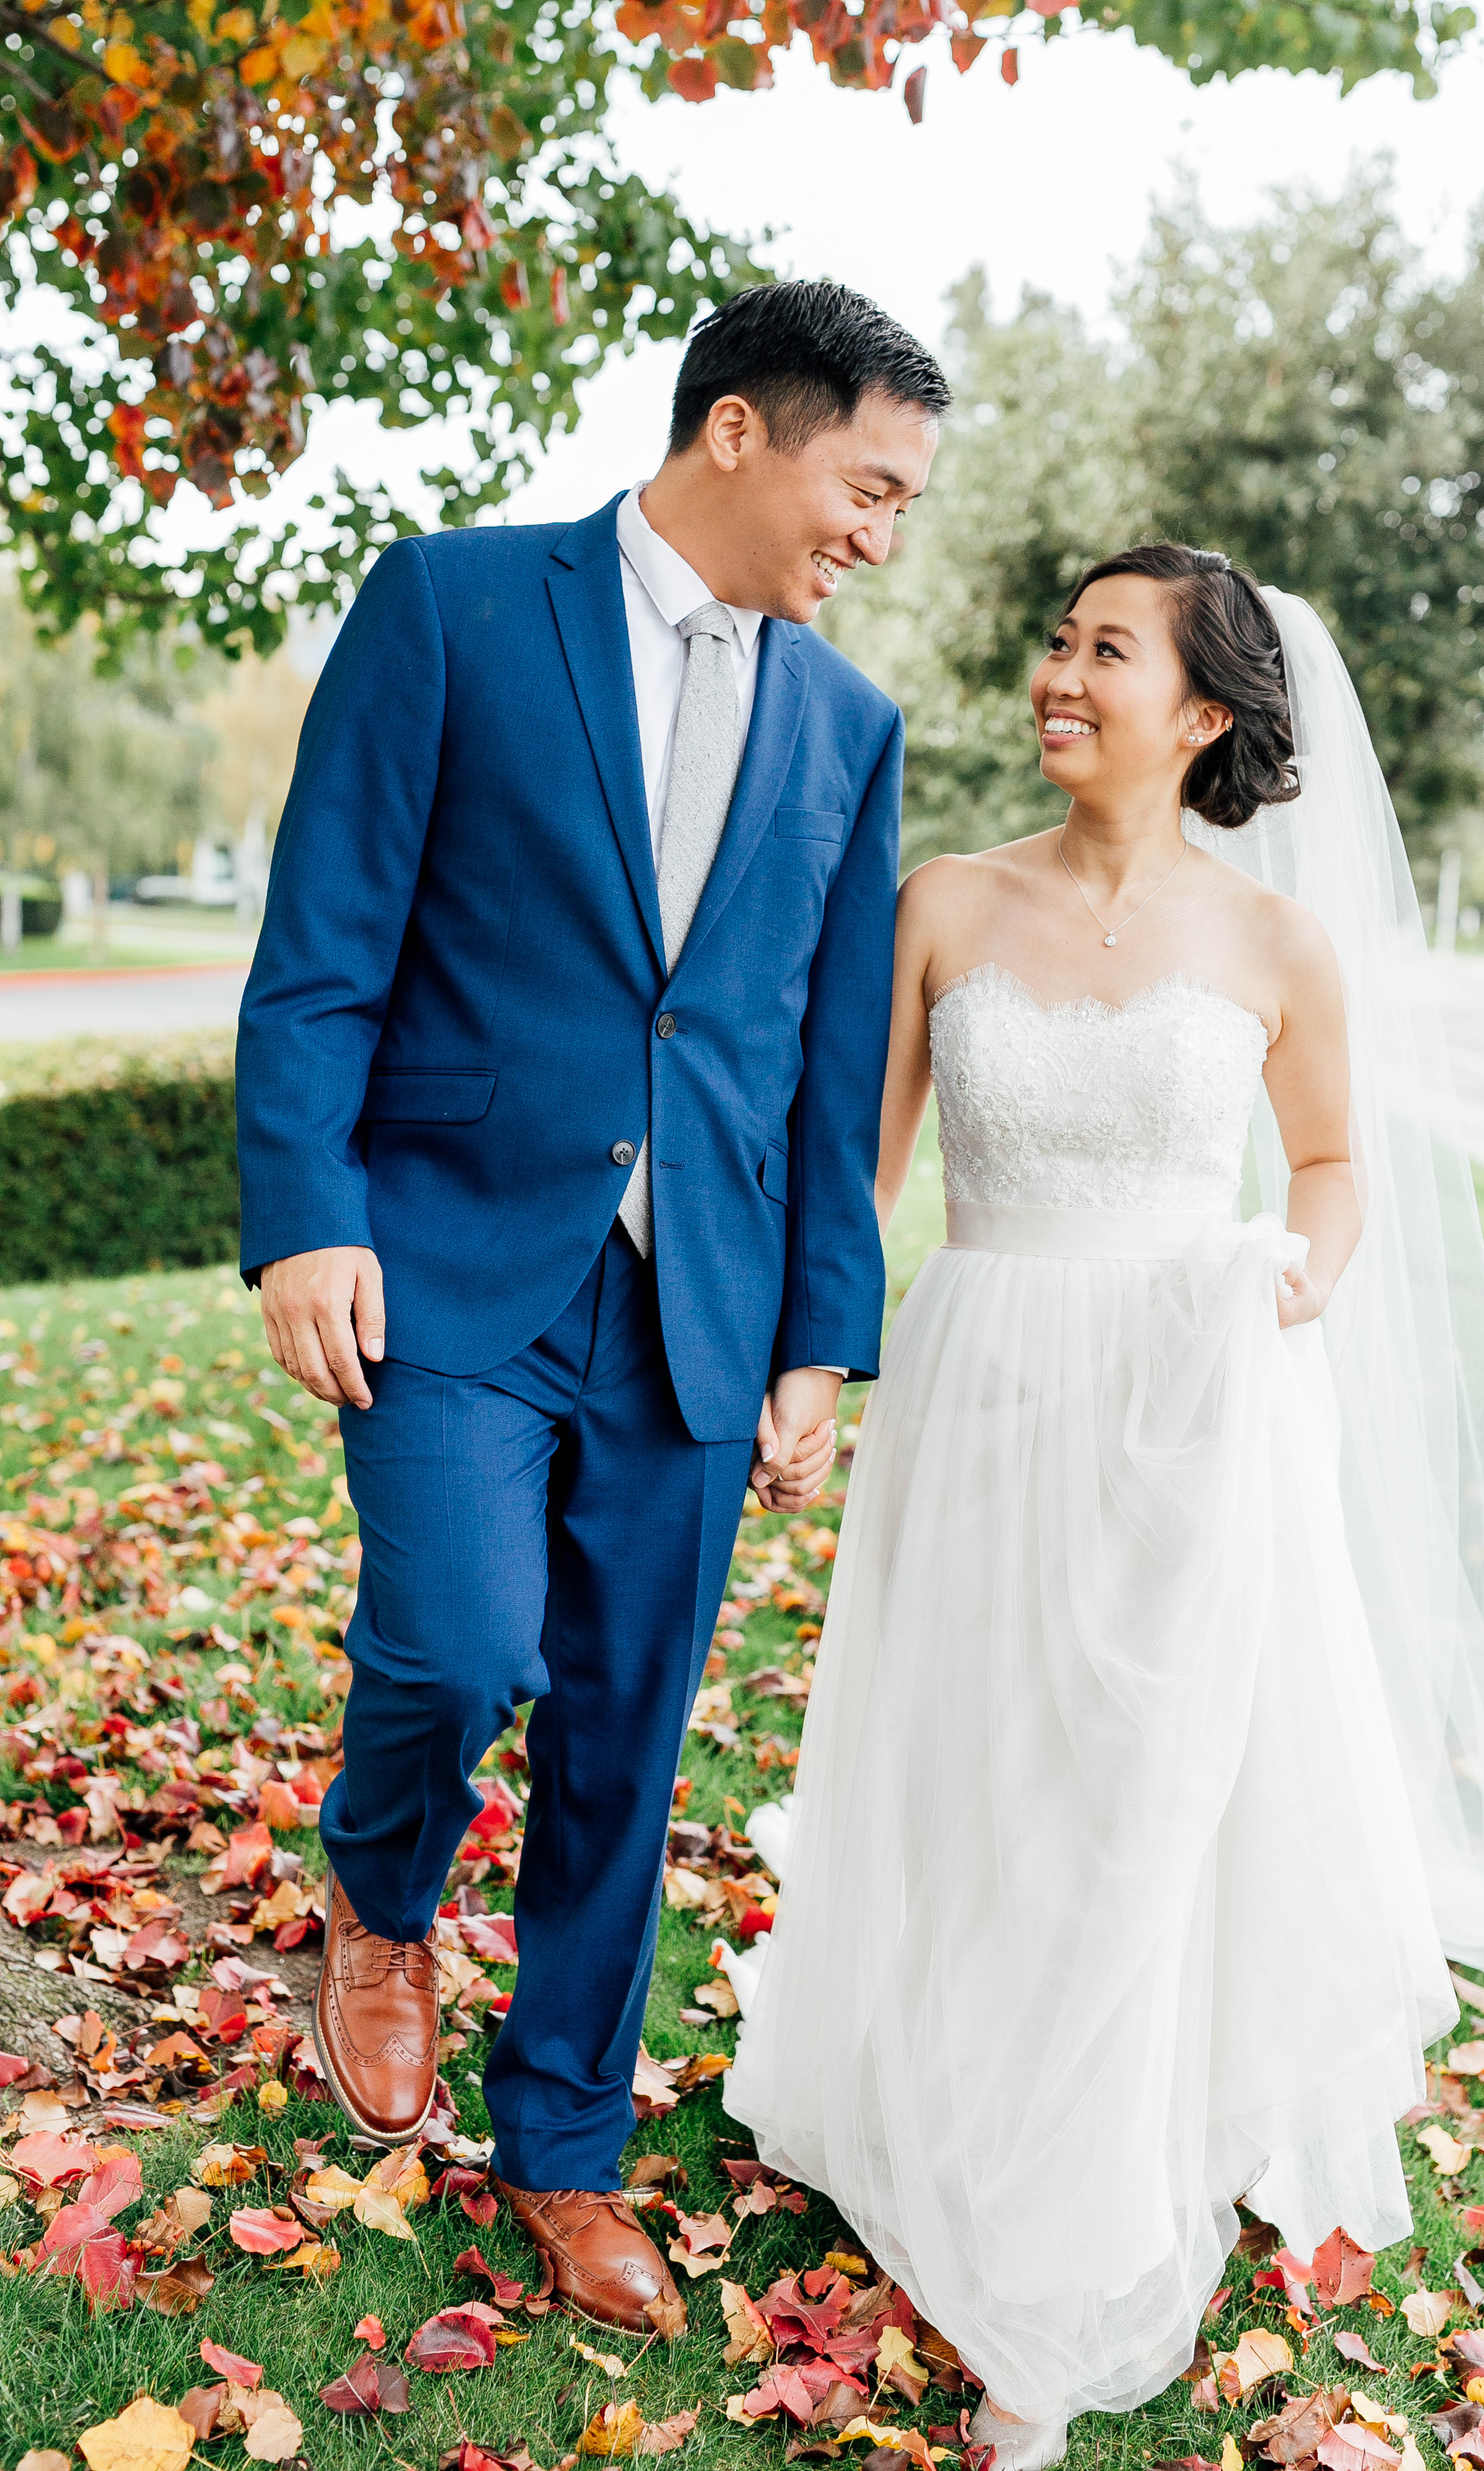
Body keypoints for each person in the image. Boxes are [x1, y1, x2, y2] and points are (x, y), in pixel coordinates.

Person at [724, 541, 1484, 2465]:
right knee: (990, 1763)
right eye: (1058, 641)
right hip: (985, 1383)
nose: (1059, 675)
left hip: (1191, 1395)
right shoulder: (942, 902)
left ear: (1204, 710)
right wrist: (808, 1364)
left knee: (1145, 1783)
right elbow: (858, 1172)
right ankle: (975, 2102)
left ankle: (1075, 2228)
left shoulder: (1276, 945)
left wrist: (1297, 1280)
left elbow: (1329, 1166)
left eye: (1107, 650)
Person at [234, 280, 947, 2334]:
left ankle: (561, 2149)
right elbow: (323, 945)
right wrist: (304, 1217)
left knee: (627, 1740)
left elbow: (826, 1065)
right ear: (737, 430)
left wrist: (818, 1333)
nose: (879, 535)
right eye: (866, 486)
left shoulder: (848, 727)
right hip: (446, 1251)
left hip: (702, 1304)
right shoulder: (453, 605)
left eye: (903, 506)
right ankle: (382, 1896)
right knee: (459, 1642)